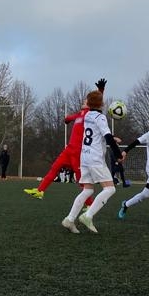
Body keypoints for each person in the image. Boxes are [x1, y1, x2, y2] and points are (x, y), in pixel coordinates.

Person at [24, 78, 107, 200]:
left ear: (90, 104)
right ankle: (40, 191)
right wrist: (67, 119)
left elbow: (97, 101)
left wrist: (101, 90)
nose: (84, 101)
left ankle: (89, 205)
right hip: (69, 150)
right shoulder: (79, 114)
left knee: (80, 180)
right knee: (55, 167)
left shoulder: (90, 115)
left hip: (79, 152)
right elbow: (68, 118)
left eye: (86, 101)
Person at [61, 89, 124, 234]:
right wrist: (118, 154)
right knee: (110, 189)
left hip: (85, 157)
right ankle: (88, 216)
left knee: (88, 190)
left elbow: (98, 133)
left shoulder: (88, 115)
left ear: (88, 104)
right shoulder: (101, 118)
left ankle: (70, 219)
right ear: (102, 104)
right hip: (95, 158)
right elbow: (106, 137)